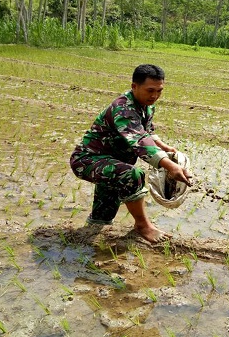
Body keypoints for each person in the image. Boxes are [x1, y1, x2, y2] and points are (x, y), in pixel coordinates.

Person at [70, 64, 192, 243]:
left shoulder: (147, 106)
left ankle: (88, 239)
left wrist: (165, 148)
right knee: (132, 175)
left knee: (103, 216)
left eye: (159, 91)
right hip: (88, 160)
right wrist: (169, 165)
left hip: (112, 162)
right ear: (134, 86)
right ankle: (143, 226)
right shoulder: (123, 108)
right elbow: (139, 141)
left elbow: (146, 132)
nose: (155, 96)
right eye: (150, 90)